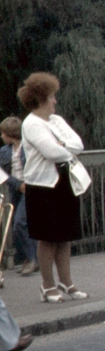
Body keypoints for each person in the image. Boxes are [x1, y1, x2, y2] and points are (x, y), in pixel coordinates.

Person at [18, 72, 88, 303]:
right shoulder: (31, 124)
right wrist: (63, 147)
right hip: (42, 186)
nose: (55, 101)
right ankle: (47, 286)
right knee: (48, 238)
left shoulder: (56, 121)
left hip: (64, 182)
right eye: (52, 97)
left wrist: (62, 145)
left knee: (65, 236)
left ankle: (66, 282)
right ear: (41, 99)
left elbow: (78, 144)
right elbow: (52, 152)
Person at [1, 116, 39, 276]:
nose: (1, 136)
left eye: (3, 133)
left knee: (20, 223)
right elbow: (2, 173)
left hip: (31, 188)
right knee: (18, 226)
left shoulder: (28, 148)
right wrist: (17, 184)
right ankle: (27, 259)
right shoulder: (4, 151)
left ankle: (32, 259)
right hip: (17, 189)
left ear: (11, 133)